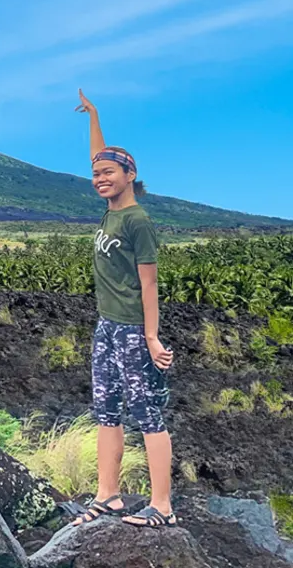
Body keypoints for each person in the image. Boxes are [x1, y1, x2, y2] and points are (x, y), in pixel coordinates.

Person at [70, 89, 176, 529]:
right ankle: (108, 495)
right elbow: (100, 155)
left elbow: (149, 283)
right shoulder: (111, 211)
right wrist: (93, 116)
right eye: (96, 174)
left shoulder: (137, 220)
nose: (100, 178)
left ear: (130, 175)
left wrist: (151, 337)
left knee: (147, 412)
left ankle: (162, 507)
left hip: (133, 328)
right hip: (107, 326)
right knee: (106, 409)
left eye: (109, 173)